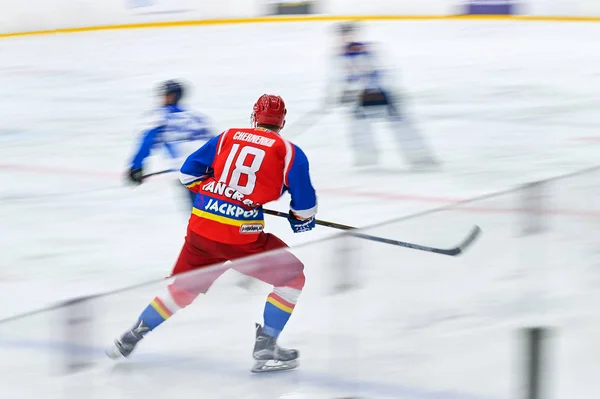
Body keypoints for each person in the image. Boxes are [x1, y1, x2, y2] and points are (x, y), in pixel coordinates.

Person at [107, 94, 318, 373]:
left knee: (182, 289)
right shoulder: (291, 152)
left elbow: (188, 175)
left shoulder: (228, 135)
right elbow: (304, 208)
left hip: (201, 227)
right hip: (241, 237)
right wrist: (300, 219)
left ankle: (133, 334)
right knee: (293, 277)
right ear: (282, 122)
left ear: (254, 117)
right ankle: (266, 348)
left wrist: (220, 195)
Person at [326, 22, 439, 169]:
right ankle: (366, 156)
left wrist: (380, 87)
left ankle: (419, 154)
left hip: (381, 93)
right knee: (358, 125)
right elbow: (337, 77)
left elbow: (386, 70)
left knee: (401, 124)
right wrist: (341, 92)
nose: (346, 37)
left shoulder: (370, 50)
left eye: (349, 33)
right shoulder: (338, 56)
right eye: (343, 35)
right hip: (360, 97)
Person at [126, 80, 214, 207]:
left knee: (199, 217)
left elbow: (148, 140)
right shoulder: (198, 118)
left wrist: (136, 167)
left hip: (188, 172)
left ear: (171, 96)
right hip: (213, 170)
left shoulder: (160, 115)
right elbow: (216, 143)